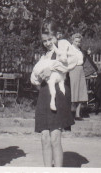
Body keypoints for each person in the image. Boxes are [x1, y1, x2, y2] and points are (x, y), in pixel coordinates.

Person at [33, 19, 76, 167]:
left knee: (55, 137)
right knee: (45, 137)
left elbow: (71, 63)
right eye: (44, 40)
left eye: (50, 39)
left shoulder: (64, 48)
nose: (47, 43)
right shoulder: (44, 55)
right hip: (44, 95)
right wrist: (38, 77)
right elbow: (36, 78)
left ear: (57, 35)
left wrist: (50, 69)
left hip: (59, 95)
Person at [69, 33, 89, 120]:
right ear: (72, 41)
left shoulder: (80, 50)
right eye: (76, 41)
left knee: (81, 92)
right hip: (73, 69)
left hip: (81, 70)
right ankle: (70, 113)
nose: (77, 43)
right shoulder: (70, 49)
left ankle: (77, 115)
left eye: (79, 42)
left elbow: (84, 60)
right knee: (73, 91)